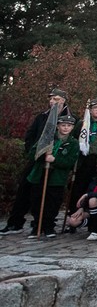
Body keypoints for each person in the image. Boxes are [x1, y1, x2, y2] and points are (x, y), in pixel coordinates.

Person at [2, 90, 71, 236]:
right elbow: (31, 135)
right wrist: (34, 153)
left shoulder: (70, 119)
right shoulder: (42, 116)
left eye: (56, 99)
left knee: (51, 196)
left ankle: (44, 224)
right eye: (51, 99)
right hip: (37, 160)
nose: (52, 101)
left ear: (64, 100)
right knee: (25, 191)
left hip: (56, 163)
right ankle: (15, 222)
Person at [26, 113, 79, 238]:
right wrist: (43, 155)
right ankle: (37, 225)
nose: (65, 128)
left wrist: (54, 160)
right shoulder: (47, 138)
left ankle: (49, 226)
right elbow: (32, 154)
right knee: (37, 201)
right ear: (58, 126)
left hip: (57, 178)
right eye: (63, 125)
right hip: (40, 174)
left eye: (69, 126)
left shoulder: (73, 143)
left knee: (53, 202)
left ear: (72, 128)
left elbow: (70, 161)